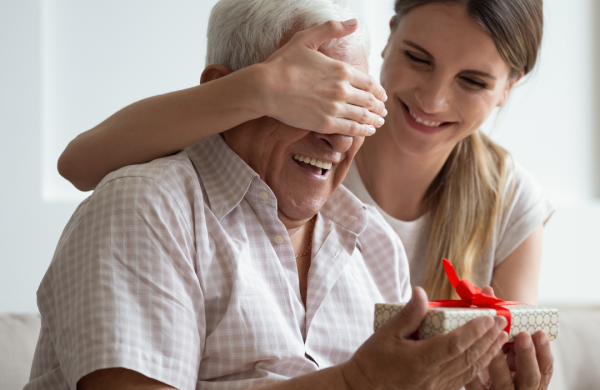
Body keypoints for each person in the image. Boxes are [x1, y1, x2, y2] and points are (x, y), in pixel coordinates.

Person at [51, 0, 555, 388]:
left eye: (351, 106)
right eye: (314, 104)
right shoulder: (155, 205)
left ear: (509, 87)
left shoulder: (374, 244)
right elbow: (80, 163)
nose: (432, 99)